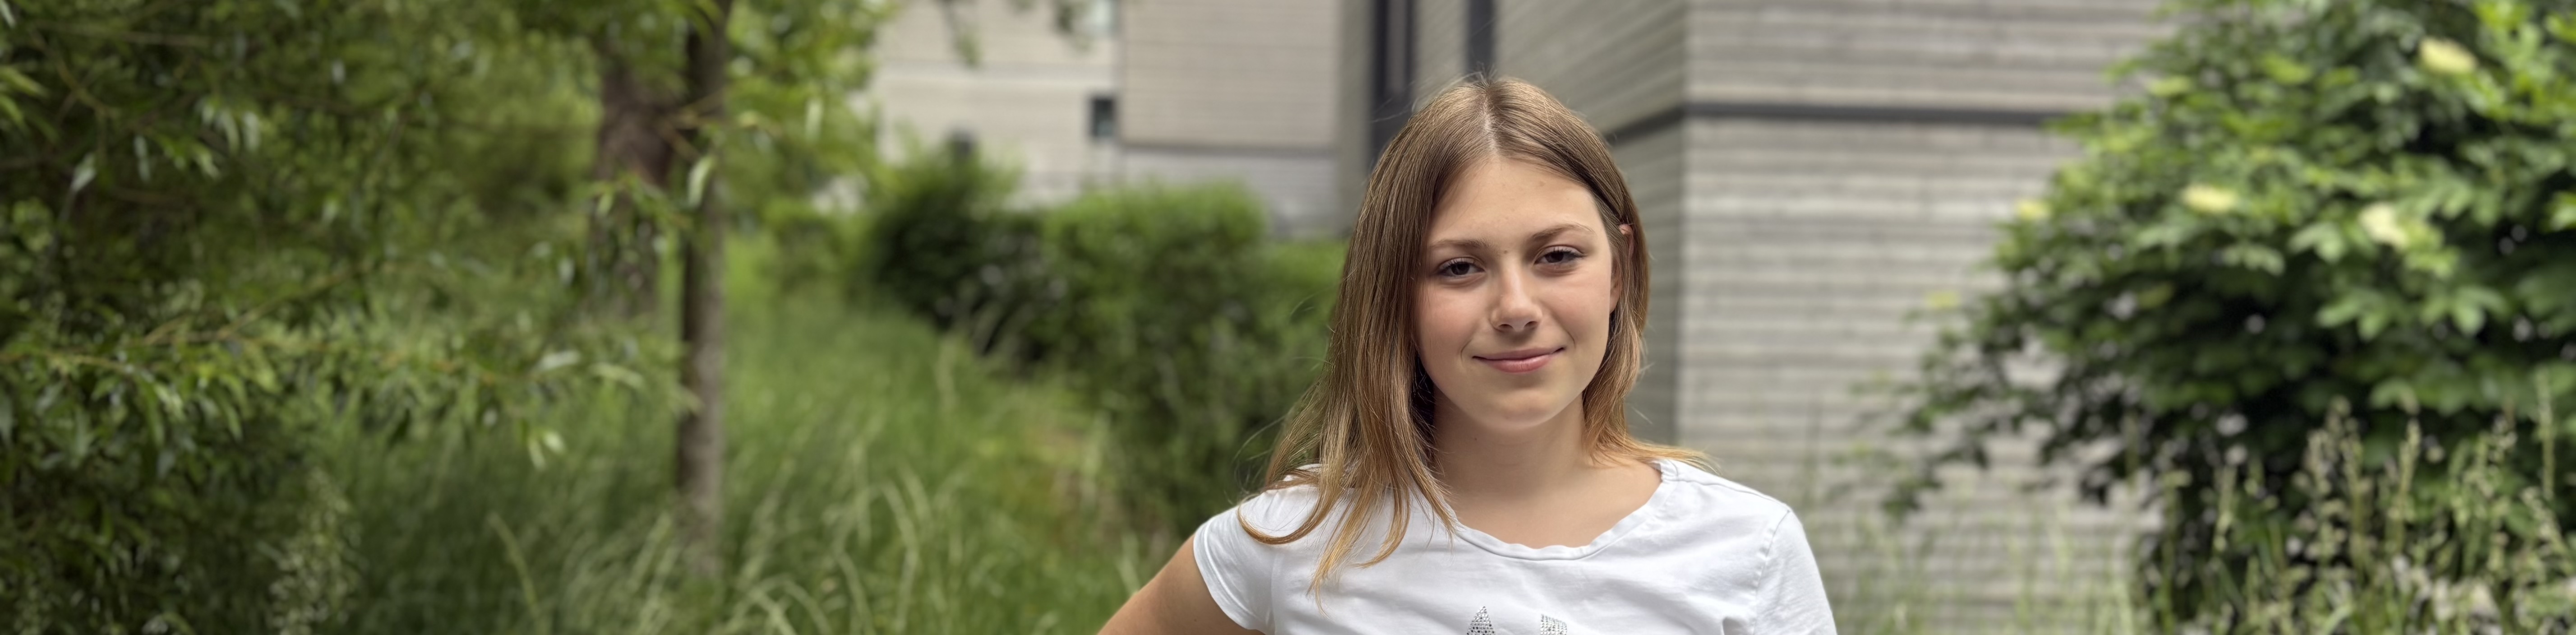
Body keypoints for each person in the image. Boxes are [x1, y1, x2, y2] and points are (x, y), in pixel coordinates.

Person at [1099, 76, 1835, 635]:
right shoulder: (1291, 541)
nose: (1515, 308)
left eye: (1556, 256)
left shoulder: (1747, 549)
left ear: (1619, 267)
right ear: (1395, 294)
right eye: (1458, 268)